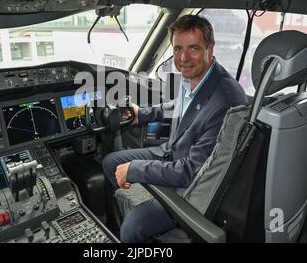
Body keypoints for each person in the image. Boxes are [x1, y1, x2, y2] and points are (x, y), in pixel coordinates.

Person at [102, 14, 248, 243]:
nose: (183, 58)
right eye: (177, 49)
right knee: (111, 162)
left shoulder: (225, 101)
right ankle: (131, 209)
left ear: (210, 48)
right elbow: (179, 106)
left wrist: (135, 169)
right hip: (173, 153)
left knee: (131, 228)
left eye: (194, 49)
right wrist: (142, 114)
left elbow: (190, 171)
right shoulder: (198, 74)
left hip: (189, 184)